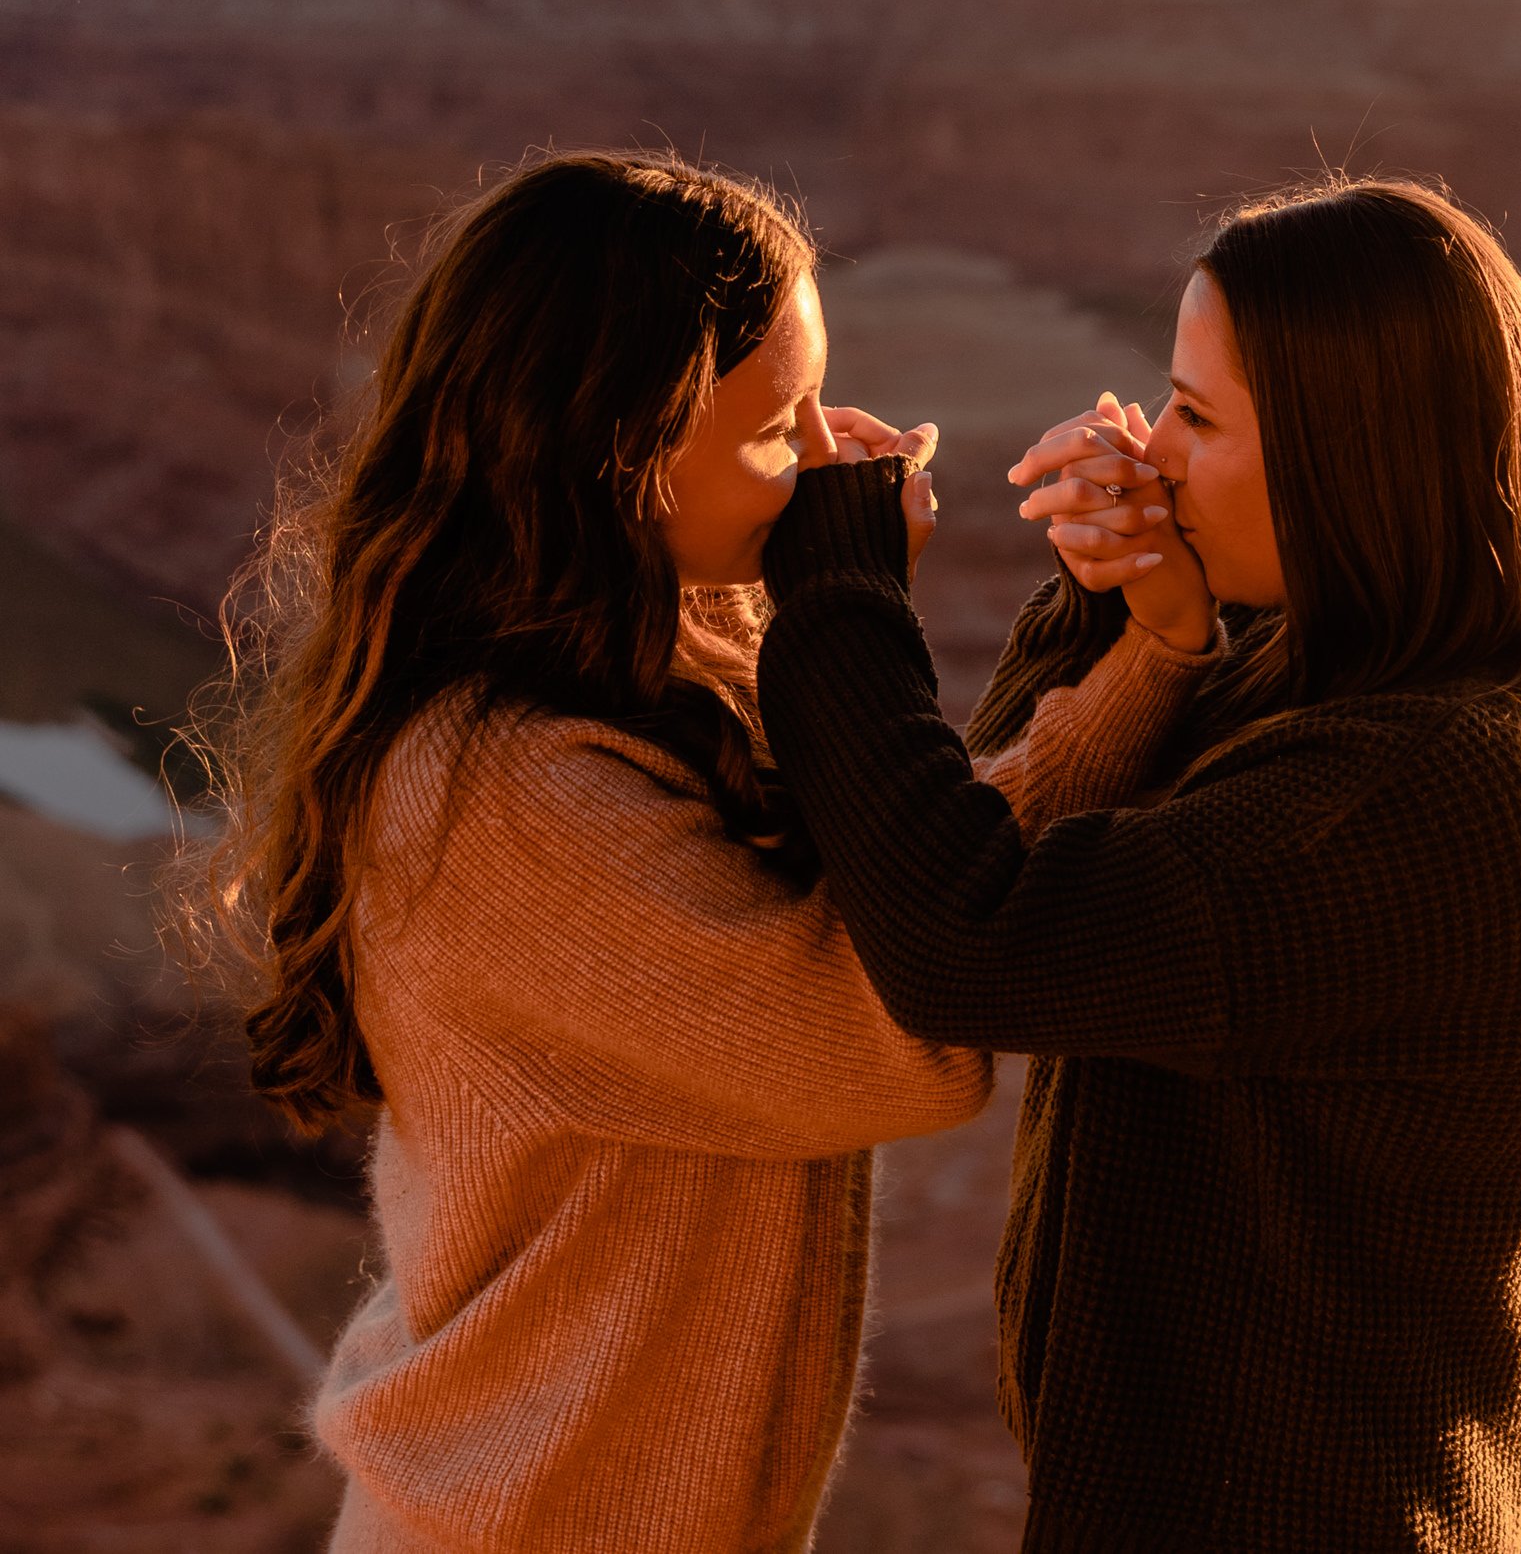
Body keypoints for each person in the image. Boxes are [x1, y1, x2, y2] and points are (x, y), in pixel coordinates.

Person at [750, 176, 1521, 1554]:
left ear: (1341, 453)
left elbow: (968, 935)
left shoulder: (1452, 791)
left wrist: (839, 586)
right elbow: (1016, 824)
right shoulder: (1343, 679)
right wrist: (1130, 625)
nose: (1156, 453)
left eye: (1197, 417)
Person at [205, 150, 995, 1554]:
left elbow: (890, 850)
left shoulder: (659, 653)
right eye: (778, 430)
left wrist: (1125, 651)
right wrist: (856, 609)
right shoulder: (503, 789)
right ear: (615, 449)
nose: (822, 458)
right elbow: (897, 1030)